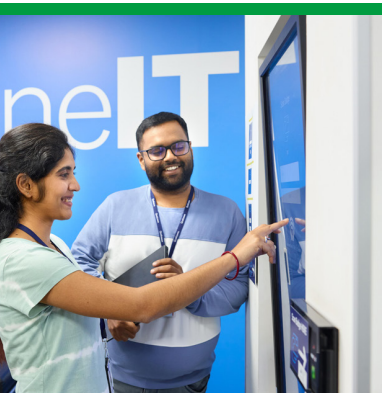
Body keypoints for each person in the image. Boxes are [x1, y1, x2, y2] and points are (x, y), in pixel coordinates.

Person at [0, 123, 286, 393]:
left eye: (73, 172)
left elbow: (66, 325)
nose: (76, 185)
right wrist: (235, 256)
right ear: (26, 185)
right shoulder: (23, 259)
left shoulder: (53, 243)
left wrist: (107, 318)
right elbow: (142, 305)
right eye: (64, 174)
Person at [71, 112, 253, 392]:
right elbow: (78, 264)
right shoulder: (115, 206)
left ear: (190, 148)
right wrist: (109, 309)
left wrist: (187, 290)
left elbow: (239, 286)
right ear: (141, 159)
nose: (170, 156)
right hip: (120, 380)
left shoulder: (227, 212)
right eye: (156, 151)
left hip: (193, 381)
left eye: (179, 146)